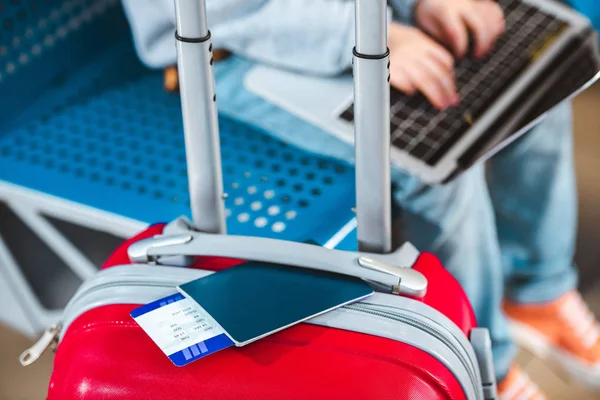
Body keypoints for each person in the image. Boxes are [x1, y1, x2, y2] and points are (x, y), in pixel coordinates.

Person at [121, 0, 600, 398]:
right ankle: (483, 361)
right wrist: (365, 35)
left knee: (537, 84)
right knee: (439, 166)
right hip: (238, 43)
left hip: (373, 16)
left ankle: (540, 288)